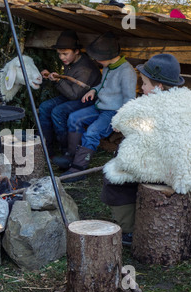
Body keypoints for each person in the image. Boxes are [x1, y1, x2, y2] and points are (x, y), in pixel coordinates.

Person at [101, 53, 185, 246]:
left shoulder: (152, 108)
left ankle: (130, 231)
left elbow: (145, 143)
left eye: (144, 84)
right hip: (170, 165)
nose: (142, 88)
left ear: (158, 87)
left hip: (158, 167)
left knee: (114, 181)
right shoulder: (179, 103)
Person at [53, 31, 137, 180]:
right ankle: (71, 157)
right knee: (74, 118)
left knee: (92, 132)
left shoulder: (126, 71)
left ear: (107, 56)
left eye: (98, 58)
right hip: (100, 107)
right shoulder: (107, 67)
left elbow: (129, 99)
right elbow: (102, 85)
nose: (95, 60)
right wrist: (93, 90)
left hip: (113, 112)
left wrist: (122, 119)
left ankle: (78, 169)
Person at [38, 30, 101, 161]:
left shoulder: (85, 68)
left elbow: (74, 95)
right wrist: (53, 77)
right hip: (73, 95)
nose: (61, 58)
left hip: (88, 100)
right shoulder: (71, 62)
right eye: (59, 54)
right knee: (45, 107)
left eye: (65, 54)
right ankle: (47, 149)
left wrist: (58, 81)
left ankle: (66, 151)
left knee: (58, 112)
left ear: (76, 51)